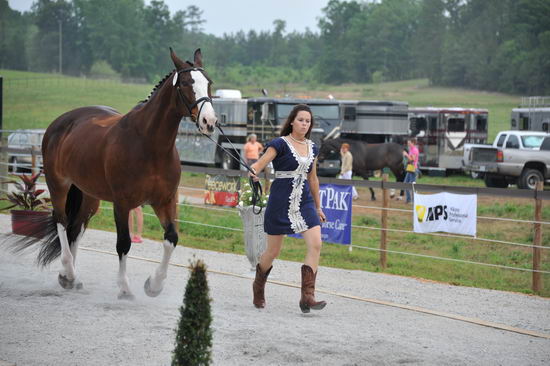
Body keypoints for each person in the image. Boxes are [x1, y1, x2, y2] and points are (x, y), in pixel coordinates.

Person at [249, 104, 327, 313]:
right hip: (280, 200)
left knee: (316, 244)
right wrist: (254, 171)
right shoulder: (279, 144)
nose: (304, 124)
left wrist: (318, 207)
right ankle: (258, 285)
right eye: (301, 120)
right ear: (292, 121)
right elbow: (260, 163)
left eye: (308, 121)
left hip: (305, 202)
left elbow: (313, 178)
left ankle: (307, 297)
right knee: (273, 251)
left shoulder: (313, 148)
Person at [403, 138, 419, 204]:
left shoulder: (414, 150)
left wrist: (406, 155)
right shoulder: (411, 149)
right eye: (408, 143)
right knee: (406, 184)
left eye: (409, 143)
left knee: (412, 185)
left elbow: (413, 159)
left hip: (413, 168)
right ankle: (409, 199)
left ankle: (414, 200)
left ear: (413, 143)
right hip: (410, 168)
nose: (408, 144)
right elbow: (410, 160)